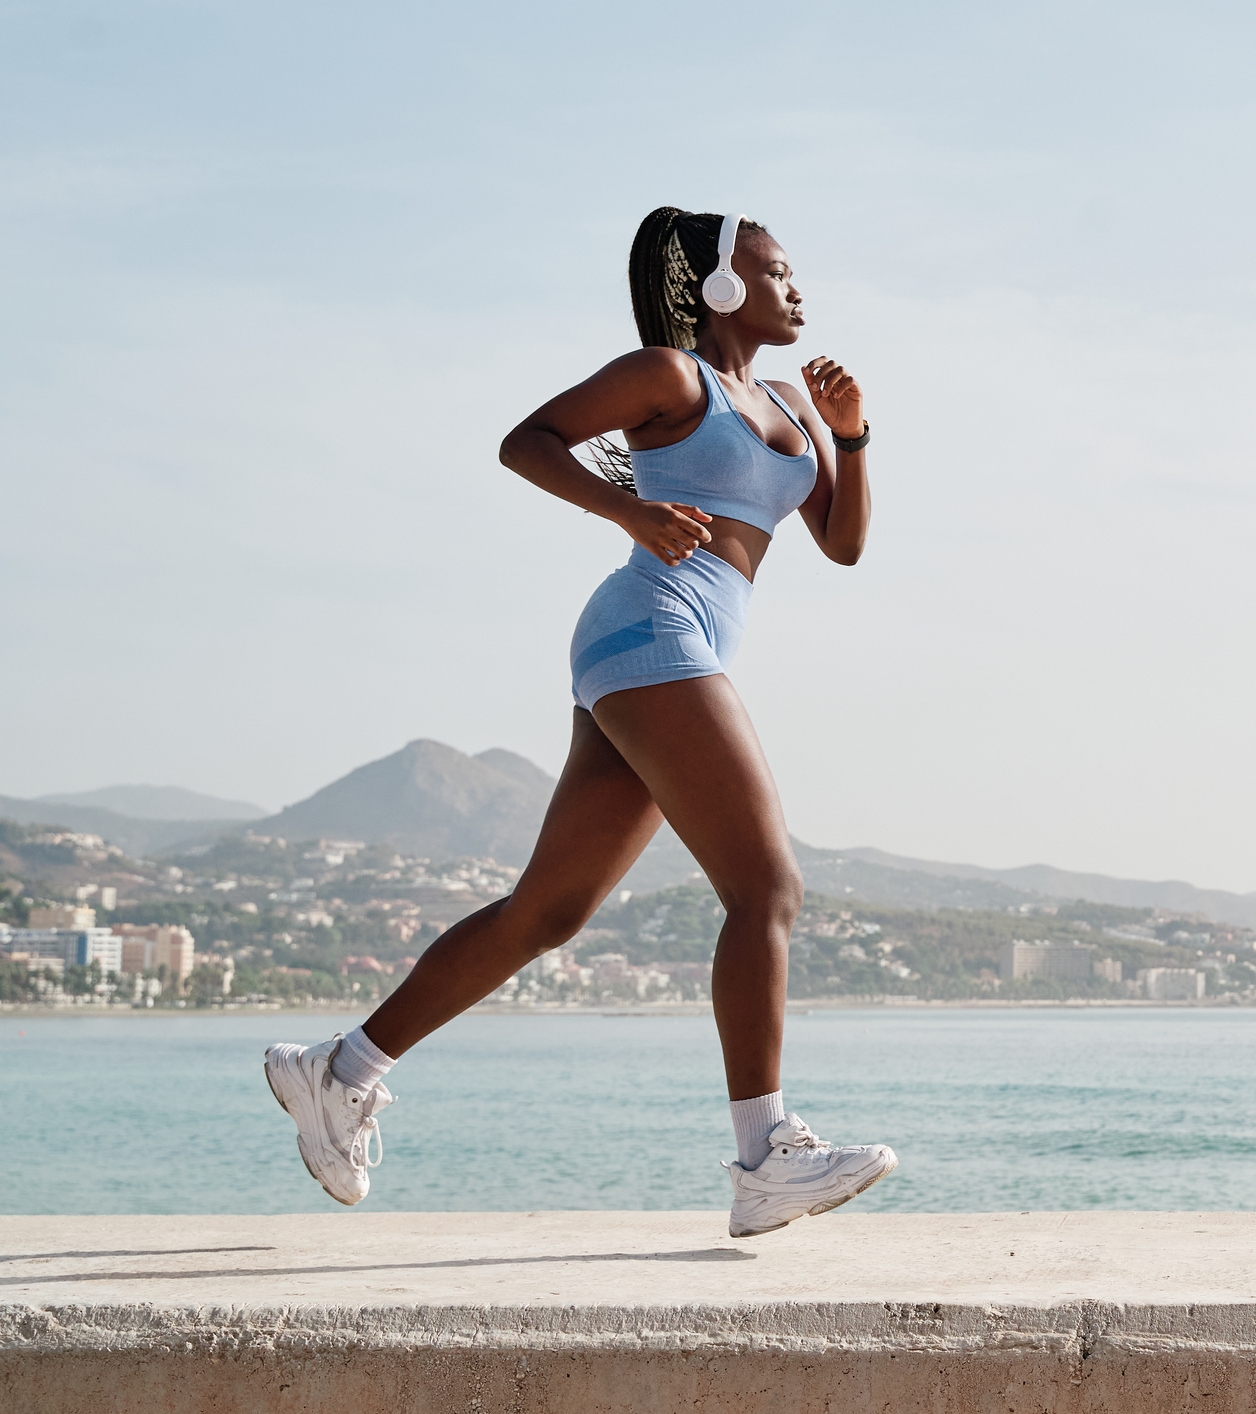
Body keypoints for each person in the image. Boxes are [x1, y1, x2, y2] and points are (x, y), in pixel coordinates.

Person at [263, 207, 896, 1238]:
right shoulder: (668, 376)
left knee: (547, 912)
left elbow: (845, 542)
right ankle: (764, 1155)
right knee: (766, 886)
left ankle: (338, 1071)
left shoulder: (789, 402)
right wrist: (632, 513)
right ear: (721, 287)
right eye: (776, 273)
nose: (796, 290)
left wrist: (854, 433)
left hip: (666, 651)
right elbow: (527, 441)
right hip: (651, 624)